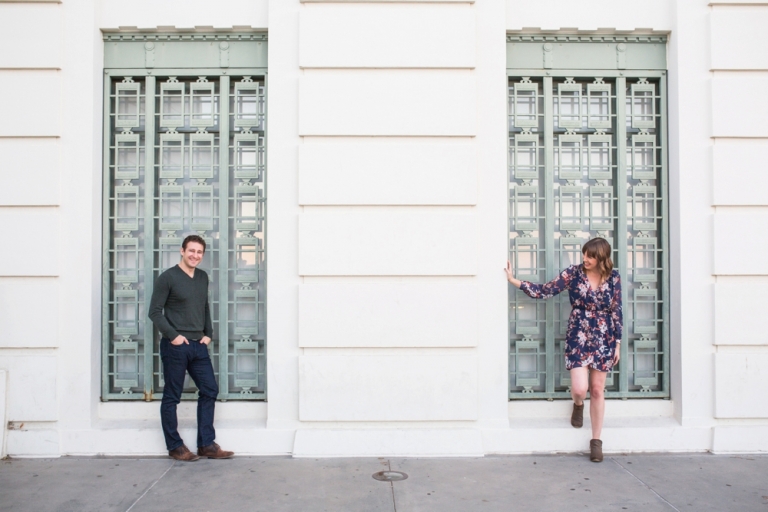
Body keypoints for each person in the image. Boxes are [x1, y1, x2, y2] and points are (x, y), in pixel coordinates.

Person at [504, 237, 622, 462]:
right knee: (580, 388)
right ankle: (578, 404)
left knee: (597, 390)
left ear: (602, 258)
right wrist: (513, 280)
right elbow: (545, 290)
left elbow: (617, 310)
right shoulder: (573, 273)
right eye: (584, 254)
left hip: (604, 337)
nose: (585, 259)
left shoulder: (613, 277)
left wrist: (617, 343)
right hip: (578, 334)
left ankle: (596, 441)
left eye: (591, 256)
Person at [148, 234, 234, 461]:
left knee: (210, 390)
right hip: (176, 346)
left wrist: (208, 334)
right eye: (191, 251)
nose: (195, 255)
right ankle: (175, 446)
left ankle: (206, 444)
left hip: (198, 346)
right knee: (172, 397)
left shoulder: (202, 277)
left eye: (199, 252)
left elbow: (204, 306)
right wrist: (174, 336)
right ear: (182, 251)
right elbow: (154, 312)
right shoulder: (168, 278)